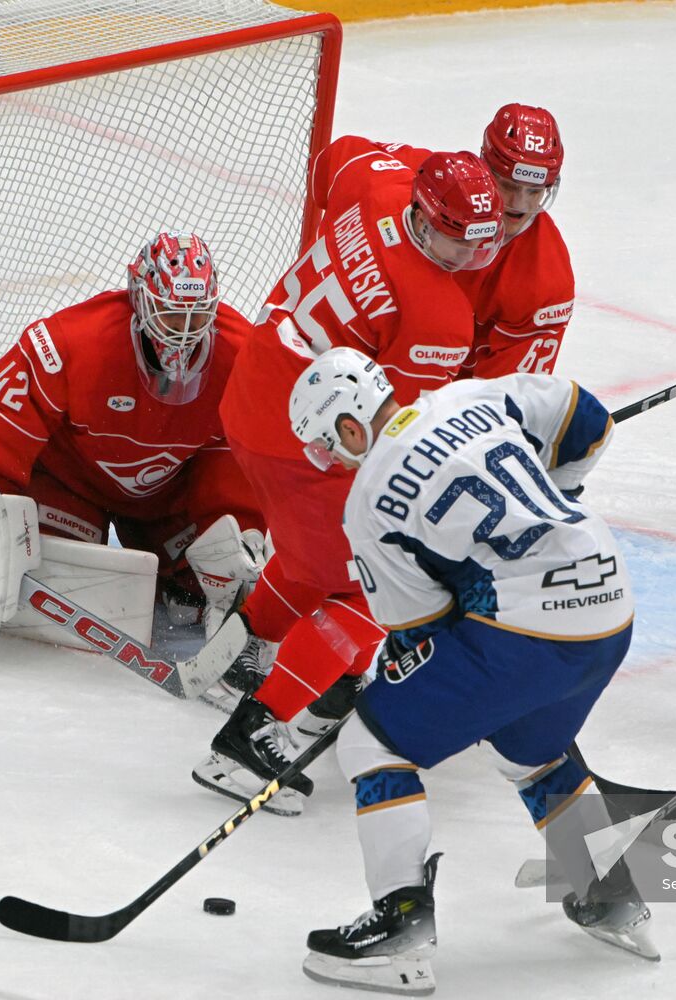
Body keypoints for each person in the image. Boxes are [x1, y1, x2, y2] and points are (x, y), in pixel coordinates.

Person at [288, 347, 654, 995]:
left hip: (530, 629)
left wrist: (384, 686)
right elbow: (587, 418)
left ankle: (397, 922)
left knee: (369, 742)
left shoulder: (368, 503)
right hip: (610, 601)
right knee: (528, 748)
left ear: (349, 427)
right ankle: (606, 888)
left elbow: (424, 629)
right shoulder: (469, 396)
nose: (331, 462)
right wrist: (555, 502)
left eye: (327, 445)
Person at [191, 146, 507, 814]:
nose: (468, 259)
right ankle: (245, 741)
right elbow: (398, 438)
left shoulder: (377, 184)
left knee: (314, 555)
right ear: (425, 218)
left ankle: (234, 651)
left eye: (480, 243)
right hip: (304, 447)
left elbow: (340, 155)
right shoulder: (437, 317)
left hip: (250, 397)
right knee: (378, 587)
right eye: (457, 242)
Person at [0, 231, 263, 617]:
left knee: (210, 583)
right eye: (172, 311)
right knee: (57, 584)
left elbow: (244, 456)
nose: (184, 329)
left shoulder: (244, 354)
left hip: (165, 502)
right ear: (139, 300)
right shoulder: (73, 343)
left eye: (196, 314)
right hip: (71, 488)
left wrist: (242, 529)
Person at [309, 103, 574, 379]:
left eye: (534, 192)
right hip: (353, 368)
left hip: (425, 389)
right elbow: (335, 161)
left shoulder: (546, 280)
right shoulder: (428, 179)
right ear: (484, 164)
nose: (518, 205)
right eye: (507, 185)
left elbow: (503, 399)